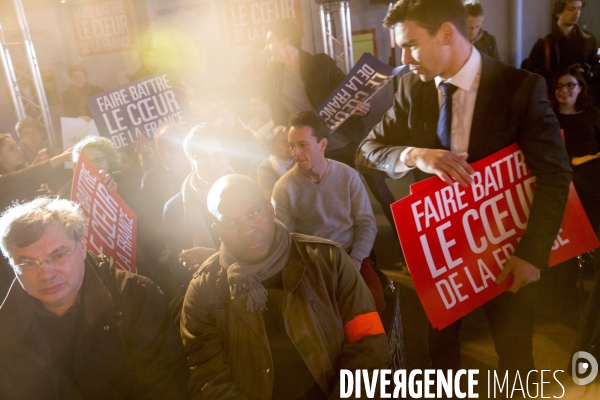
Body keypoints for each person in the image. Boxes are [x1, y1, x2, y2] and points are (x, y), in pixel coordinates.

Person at [355, 0, 572, 382]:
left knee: (517, 358)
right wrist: (414, 155)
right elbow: (366, 152)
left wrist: (533, 254)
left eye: (411, 44)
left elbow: (555, 176)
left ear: (445, 33)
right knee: (441, 359)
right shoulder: (409, 88)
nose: (404, 59)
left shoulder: (519, 87)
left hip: (507, 250)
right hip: (442, 256)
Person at [180, 174, 389, 399]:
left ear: (270, 211)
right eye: (231, 222)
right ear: (217, 229)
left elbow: (368, 343)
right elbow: (207, 376)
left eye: (253, 213)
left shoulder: (328, 261)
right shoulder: (204, 291)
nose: (247, 229)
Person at [0, 197, 188, 399]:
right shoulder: (6, 329)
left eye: (58, 255)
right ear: (12, 266)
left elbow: (165, 388)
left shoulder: (136, 297)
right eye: (28, 263)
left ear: (82, 246)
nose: (46, 274)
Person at [264, 18, 397, 229]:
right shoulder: (273, 76)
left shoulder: (320, 63)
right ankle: (365, 260)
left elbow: (350, 94)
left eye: (270, 41)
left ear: (285, 41)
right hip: (323, 152)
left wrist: (361, 108)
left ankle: (407, 241)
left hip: (351, 141)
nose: (266, 47)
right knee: (344, 206)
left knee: (381, 193)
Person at [162, 125, 233, 290]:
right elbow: (176, 264)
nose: (212, 163)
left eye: (218, 155)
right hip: (207, 291)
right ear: (190, 161)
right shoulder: (175, 207)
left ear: (229, 156)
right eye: (202, 157)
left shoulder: (247, 189)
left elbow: (263, 244)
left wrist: (215, 258)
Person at [552, 66, 600, 231]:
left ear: (580, 88)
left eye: (570, 85)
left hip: (593, 177)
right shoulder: (548, 118)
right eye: (558, 86)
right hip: (560, 180)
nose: (563, 90)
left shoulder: (594, 115)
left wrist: (586, 160)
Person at [526, 0, 598, 86]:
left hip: (582, 95)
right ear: (558, 13)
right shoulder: (544, 44)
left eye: (579, 8)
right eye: (571, 9)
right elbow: (532, 75)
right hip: (555, 94)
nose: (577, 13)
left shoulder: (589, 40)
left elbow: (596, 66)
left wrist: (590, 73)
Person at [257, 125, 294, 200]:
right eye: (283, 142)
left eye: (291, 141)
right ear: (271, 147)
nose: (289, 145)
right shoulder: (265, 168)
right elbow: (272, 198)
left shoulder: (301, 158)